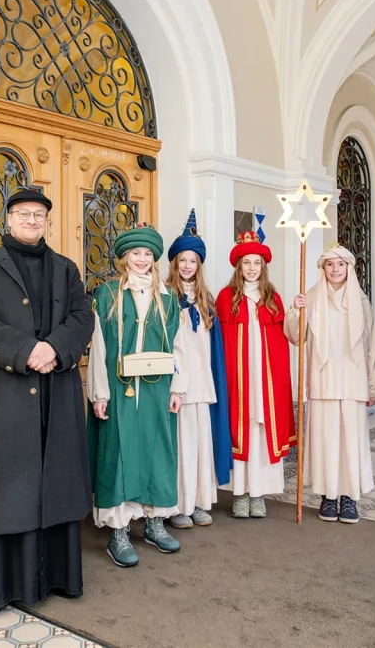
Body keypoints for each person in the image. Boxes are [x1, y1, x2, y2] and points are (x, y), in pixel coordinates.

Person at [0, 187, 94, 613]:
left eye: (39, 214)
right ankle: (1, 590)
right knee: (7, 492)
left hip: (57, 389)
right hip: (6, 396)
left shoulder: (66, 268)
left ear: (47, 221)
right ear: (9, 219)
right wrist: (27, 351)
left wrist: (54, 348)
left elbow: (82, 316)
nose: (32, 220)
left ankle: (57, 579)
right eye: (24, 213)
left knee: (55, 484)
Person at [86, 222, 185, 567]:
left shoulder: (169, 297)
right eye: (135, 253)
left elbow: (178, 346)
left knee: (157, 450)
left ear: (154, 258)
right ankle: (119, 528)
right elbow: (98, 346)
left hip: (157, 387)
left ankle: (155, 521)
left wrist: (178, 386)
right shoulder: (108, 294)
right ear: (124, 258)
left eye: (147, 254)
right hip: (119, 386)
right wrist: (99, 393)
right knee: (120, 451)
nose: (141, 259)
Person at [286, 242, 375, 524]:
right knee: (326, 440)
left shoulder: (361, 302)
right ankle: (328, 496)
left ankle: (349, 497)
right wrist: (295, 311)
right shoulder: (312, 298)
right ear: (323, 268)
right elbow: (296, 337)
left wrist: (374, 385)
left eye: (340, 264)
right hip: (322, 380)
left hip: (353, 382)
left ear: (349, 268)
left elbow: (372, 345)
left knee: (350, 441)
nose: (335, 269)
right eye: (330, 264)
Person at [215, 231, 295, 519]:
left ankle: (258, 493)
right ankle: (239, 494)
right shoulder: (226, 298)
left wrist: (297, 312)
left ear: (263, 267)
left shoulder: (272, 298)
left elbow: (288, 336)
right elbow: (219, 341)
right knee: (240, 431)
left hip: (267, 378)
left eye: (256, 263)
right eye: (246, 262)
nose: (251, 268)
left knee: (261, 434)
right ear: (239, 267)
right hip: (237, 378)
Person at [164, 209, 233, 529]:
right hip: (177, 384)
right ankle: (178, 504)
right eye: (183, 260)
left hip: (203, 383)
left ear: (199, 265)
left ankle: (200, 501)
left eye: (193, 260)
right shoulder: (164, 297)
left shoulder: (207, 300)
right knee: (180, 447)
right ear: (174, 263)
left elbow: (213, 349)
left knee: (201, 445)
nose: (188, 265)